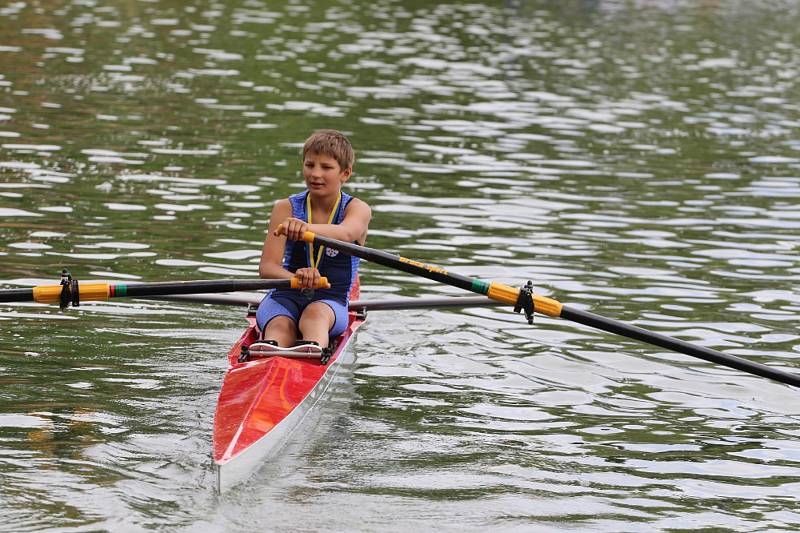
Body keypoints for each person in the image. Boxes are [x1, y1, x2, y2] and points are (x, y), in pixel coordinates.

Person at [249, 130, 371, 360]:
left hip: (330, 300)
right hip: (284, 296)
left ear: (345, 173)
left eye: (326, 167)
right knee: (280, 327)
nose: (315, 174)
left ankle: (311, 354)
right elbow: (267, 268)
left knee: (314, 317)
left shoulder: (357, 209)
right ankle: (269, 361)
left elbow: (345, 233)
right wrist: (297, 278)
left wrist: (305, 229)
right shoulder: (285, 208)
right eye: (309, 165)